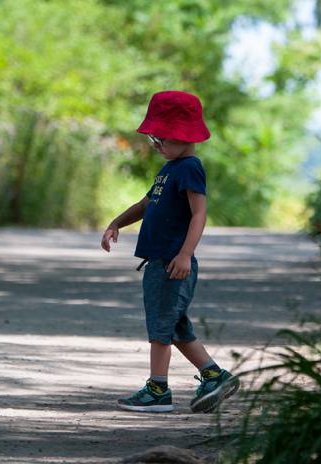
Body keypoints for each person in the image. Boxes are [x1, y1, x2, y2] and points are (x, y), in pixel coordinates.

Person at [100, 90, 240, 413]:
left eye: (160, 138)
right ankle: (214, 376)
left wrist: (185, 254)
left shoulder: (190, 167)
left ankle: (158, 389)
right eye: (153, 138)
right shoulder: (170, 169)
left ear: (183, 135)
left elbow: (199, 214)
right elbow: (145, 204)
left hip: (173, 263)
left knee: (160, 329)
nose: (155, 145)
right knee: (174, 326)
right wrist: (116, 223)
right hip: (160, 261)